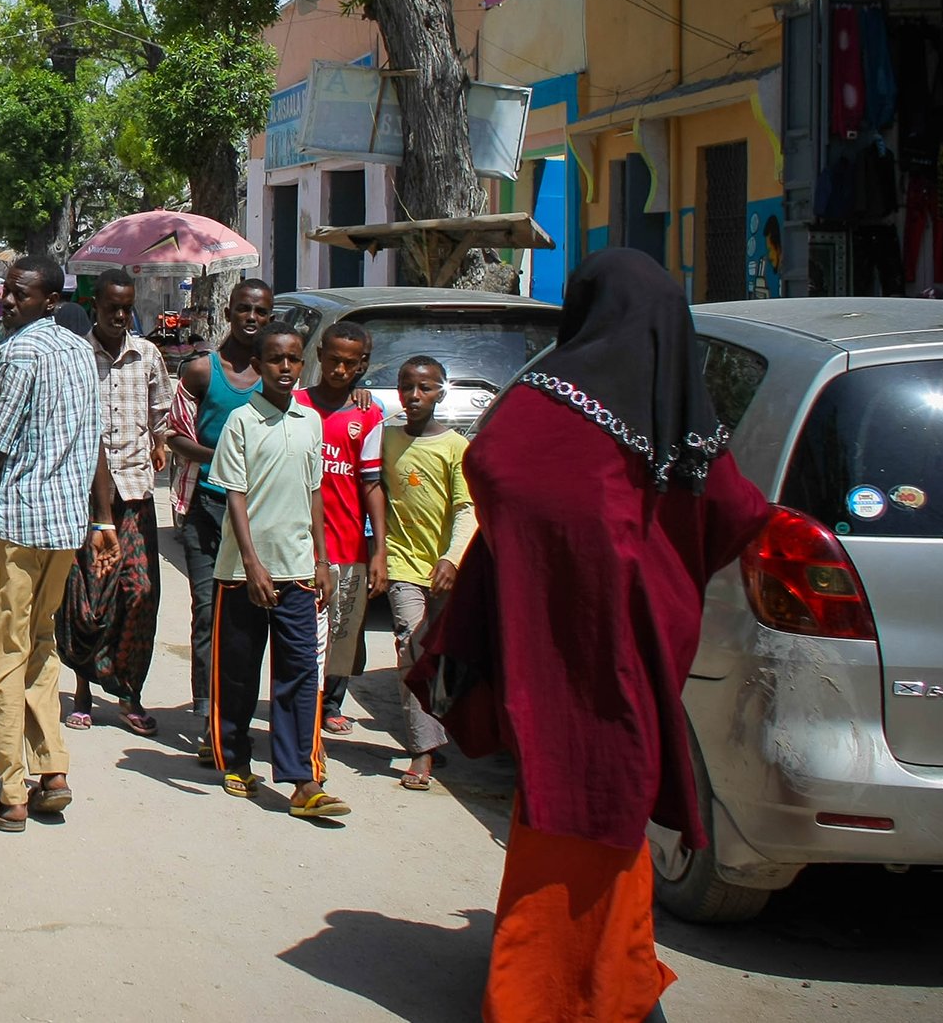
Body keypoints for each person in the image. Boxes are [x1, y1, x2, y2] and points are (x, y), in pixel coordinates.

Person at [407, 250, 770, 1023]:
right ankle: (581, 990)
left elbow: (496, 465)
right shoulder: (679, 412)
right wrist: (650, 560)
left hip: (561, 651)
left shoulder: (549, 397)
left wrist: (557, 561)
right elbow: (739, 512)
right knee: (600, 802)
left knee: (581, 802)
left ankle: (588, 985)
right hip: (625, 654)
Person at [0, 256, 113, 833]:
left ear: (50, 301)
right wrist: (101, 517)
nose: (9, 302)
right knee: (39, 645)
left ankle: (12, 791)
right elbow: (93, 441)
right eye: (7, 292)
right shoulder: (81, 352)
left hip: (16, 527)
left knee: (3, 654)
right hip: (63, 529)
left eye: (22, 295)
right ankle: (52, 770)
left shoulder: (22, 353)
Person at [206, 323, 346, 819]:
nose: (285, 368)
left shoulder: (310, 422)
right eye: (275, 360)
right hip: (245, 574)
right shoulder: (242, 422)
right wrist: (251, 563)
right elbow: (235, 496)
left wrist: (322, 560)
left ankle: (302, 779)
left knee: (300, 674)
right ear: (259, 367)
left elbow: (315, 493)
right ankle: (236, 759)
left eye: (292, 359)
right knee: (240, 673)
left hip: (299, 569)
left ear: (301, 364)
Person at [59, 269, 170, 737]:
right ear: (95, 307)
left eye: (127, 308)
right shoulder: (77, 357)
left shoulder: (147, 356)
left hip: (136, 492)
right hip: (87, 496)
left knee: (140, 593)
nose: (120, 316)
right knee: (90, 600)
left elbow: (160, 411)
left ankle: (129, 693)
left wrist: (160, 442)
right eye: (112, 308)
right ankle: (83, 690)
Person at [164, 279, 272, 744]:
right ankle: (207, 711)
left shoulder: (277, 375)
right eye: (244, 309)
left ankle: (235, 711)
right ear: (229, 313)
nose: (252, 318)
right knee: (208, 609)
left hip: (260, 513)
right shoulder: (201, 372)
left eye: (261, 312)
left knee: (247, 615)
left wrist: (358, 398)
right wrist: (221, 456)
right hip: (205, 507)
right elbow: (174, 435)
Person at [379, 355, 471, 791]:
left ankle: (439, 731)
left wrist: (452, 557)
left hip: (445, 569)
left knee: (442, 654)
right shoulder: (388, 438)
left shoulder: (455, 447)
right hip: (401, 562)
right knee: (411, 647)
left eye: (425, 388)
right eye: (406, 387)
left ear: (441, 392)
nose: (414, 396)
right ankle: (422, 751)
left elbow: (466, 509)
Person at [298, 322, 390, 739]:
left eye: (349, 364)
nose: (339, 370)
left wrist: (379, 550)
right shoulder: (295, 403)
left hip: (347, 540)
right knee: (303, 631)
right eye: (333, 360)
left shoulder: (368, 414)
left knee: (341, 629)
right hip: (298, 541)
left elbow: (371, 482)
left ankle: (331, 702)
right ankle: (303, 699)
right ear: (319, 356)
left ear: (362, 366)